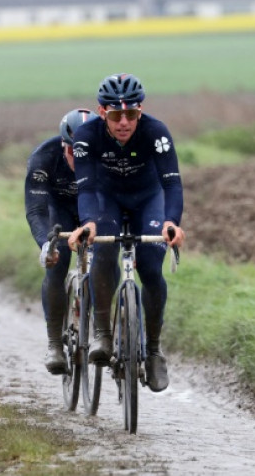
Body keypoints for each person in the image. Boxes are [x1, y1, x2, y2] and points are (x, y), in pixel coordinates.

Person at [67, 73, 186, 393]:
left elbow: (172, 183)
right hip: (106, 202)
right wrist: (89, 222)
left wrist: (171, 222)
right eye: (115, 115)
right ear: (101, 112)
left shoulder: (156, 132)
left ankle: (154, 350)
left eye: (131, 114)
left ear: (140, 111)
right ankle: (103, 332)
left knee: (150, 266)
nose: (123, 122)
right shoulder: (86, 136)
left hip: (148, 201)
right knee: (103, 253)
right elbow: (87, 188)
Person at [25, 108, 91, 374]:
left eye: (85, 154)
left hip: (93, 211)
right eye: (73, 152)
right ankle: (54, 343)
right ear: (63, 145)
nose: (79, 160)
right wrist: (45, 244)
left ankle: (102, 329)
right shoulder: (44, 157)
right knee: (57, 262)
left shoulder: (108, 156)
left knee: (106, 261)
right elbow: (36, 210)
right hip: (58, 212)